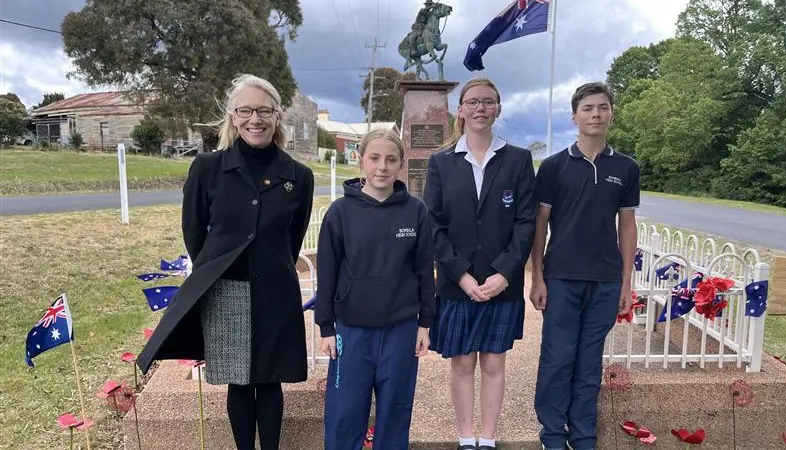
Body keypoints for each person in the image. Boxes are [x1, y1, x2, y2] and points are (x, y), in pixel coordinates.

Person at [136, 74, 315, 450]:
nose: (255, 119)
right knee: (238, 378)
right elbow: (195, 233)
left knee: (269, 378)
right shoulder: (207, 168)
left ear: (277, 116)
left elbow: (292, 238)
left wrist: (269, 263)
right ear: (233, 117)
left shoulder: (299, 176)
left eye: (264, 110)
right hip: (227, 289)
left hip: (275, 289)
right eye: (246, 110)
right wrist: (218, 267)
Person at [423, 76, 537, 450]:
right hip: (457, 285)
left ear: (498, 109)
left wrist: (505, 274)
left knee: (493, 362)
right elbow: (434, 224)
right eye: (472, 102)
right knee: (461, 363)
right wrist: (461, 275)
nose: (480, 108)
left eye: (488, 102)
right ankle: (465, 436)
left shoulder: (518, 160)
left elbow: (526, 223)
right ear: (461, 110)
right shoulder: (441, 162)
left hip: (501, 285)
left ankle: (487, 438)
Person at [529, 82, 640, 450]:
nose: (596, 114)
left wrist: (626, 282)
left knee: (589, 362)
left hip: (605, 280)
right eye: (588, 108)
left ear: (611, 113)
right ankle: (552, 434)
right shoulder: (554, 166)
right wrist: (537, 278)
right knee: (558, 358)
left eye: (603, 107)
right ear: (574, 116)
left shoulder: (625, 167)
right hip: (561, 277)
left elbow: (627, 224)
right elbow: (540, 225)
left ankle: (583, 435)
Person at [314, 128, 436, 450]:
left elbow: (425, 270)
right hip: (352, 332)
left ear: (400, 165)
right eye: (375, 158)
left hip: (401, 329)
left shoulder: (416, 211)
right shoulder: (340, 213)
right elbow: (327, 273)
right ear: (360, 160)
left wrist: (425, 323)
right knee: (345, 414)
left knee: (395, 412)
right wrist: (326, 326)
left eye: (391, 159)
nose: (382, 167)